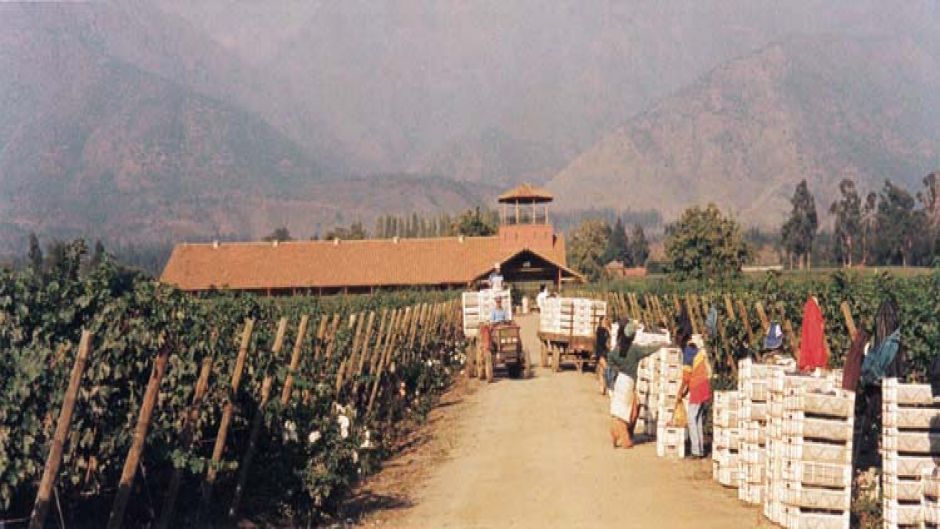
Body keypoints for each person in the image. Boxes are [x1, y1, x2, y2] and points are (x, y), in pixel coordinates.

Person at [607, 320, 660, 448]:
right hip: (629, 383)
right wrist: (660, 345)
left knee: (620, 412)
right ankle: (625, 439)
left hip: (620, 380)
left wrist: (617, 368)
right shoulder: (634, 350)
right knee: (628, 412)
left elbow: (610, 359)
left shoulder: (618, 349)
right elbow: (648, 350)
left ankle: (616, 433)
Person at [676, 319, 712, 459]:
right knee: (697, 419)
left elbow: (686, 377)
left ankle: (696, 451)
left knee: (691, 419)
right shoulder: (695, 349)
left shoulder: (687, 353)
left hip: (697, 387)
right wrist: (684, 392)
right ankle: (700, 449)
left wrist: (680, 393)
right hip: (704, 386)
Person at [595, 316, 611, 394]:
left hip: (605, 352)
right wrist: (607, 329)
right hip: (600, 352)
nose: (606, 321)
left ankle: (602, 388)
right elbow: (604, 341)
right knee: (606, 368)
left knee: (602, 371)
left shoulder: (606, 330)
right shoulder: (600, 330)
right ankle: (608, 387)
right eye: (605, 320)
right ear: (601, 321)